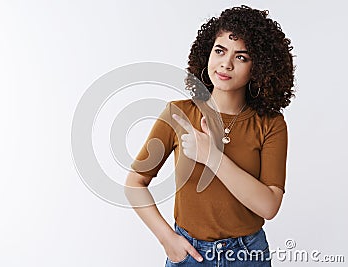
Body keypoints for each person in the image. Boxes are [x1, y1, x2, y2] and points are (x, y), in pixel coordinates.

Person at [124, 5, 294, 266]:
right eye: (220, 51)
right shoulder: (177, 114)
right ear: (207, 53)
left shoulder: (271, 124)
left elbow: (269, 206)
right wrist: (167, 238)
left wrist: (212, 157)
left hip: (248, 254)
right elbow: (135, 183)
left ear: (258, 68)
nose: (226, 63)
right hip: (189, 253)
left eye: (241, 57)